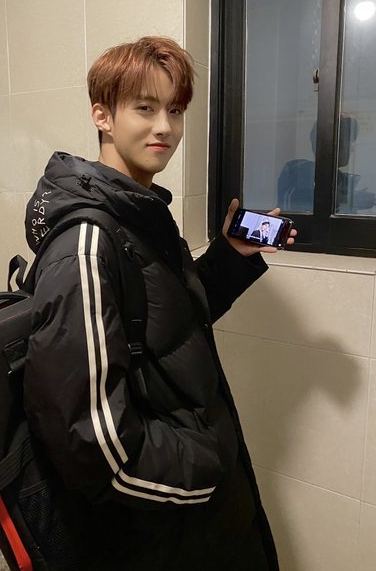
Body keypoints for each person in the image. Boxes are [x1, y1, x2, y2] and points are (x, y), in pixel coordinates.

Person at [24, 36, 296, 571]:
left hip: (195, 508)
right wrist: (204, 467)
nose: (165, 128)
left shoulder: (143, 213)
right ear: (102, 116)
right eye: (145, 109)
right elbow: (92, 442)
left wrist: (231, 256)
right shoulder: (86, 244)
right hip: (163, 525)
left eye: (175, 110)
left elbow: (170, 329)